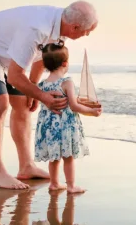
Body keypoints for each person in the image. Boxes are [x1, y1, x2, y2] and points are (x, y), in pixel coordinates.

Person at [0, 1, 98, 190]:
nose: (86, 35)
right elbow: (15, 76)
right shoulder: (36, 28)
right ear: (75, 26)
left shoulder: (61, 25)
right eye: (87, 31)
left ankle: (26, 166)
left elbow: (41, 57)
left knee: (22, 104)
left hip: (5, 50)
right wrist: (43, 96)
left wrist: (34, 88)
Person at [34, 41, 101, 194]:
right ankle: (71, 186)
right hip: (64, 126)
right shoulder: (66, 82)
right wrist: (92, 111)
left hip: (49, 127)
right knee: (68, 157)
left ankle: (54, 183)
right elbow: (74, 106)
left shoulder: (42, 85)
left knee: (54, 157)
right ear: (65, 63)